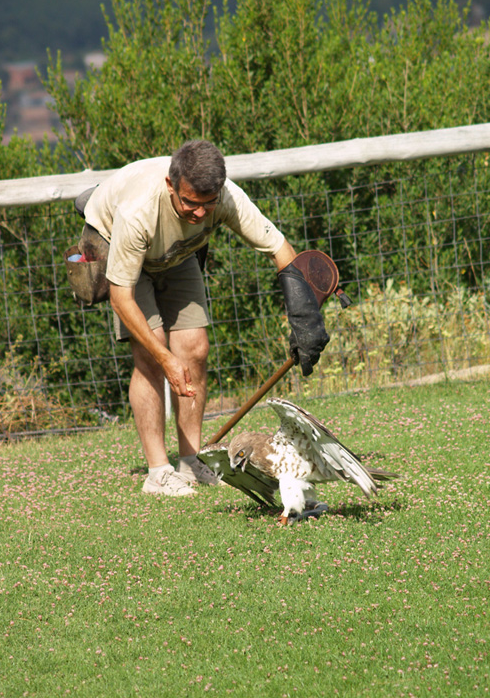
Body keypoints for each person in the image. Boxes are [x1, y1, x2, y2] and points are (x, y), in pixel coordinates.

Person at [82, 140, 329, 496]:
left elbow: (280, 250)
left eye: (207, 204)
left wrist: (304, 317)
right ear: (171, 186)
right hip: (121, 248)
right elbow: (121, 299)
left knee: (194, 348)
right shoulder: (137, 211)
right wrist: (166, 359)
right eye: (189, 203)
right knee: (151, 355)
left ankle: (191, 461)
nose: (200, 213)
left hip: (176, 254)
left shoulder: (226, 198)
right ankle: (157, 472)